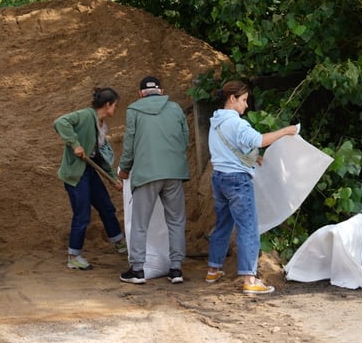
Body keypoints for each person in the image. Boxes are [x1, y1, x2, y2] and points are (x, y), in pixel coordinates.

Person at [205, 80, 298, 295]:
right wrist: (285, 131)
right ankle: (249, 279)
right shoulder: (237, 124)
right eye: (244, 100)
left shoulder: (216, 121)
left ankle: (213, 270)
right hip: (237, 181)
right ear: (232, 99)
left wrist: (251, 158)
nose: (246, 105)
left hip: (219, 178)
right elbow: (259, 140)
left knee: (223, 225)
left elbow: (227, 149)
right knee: (248, 228)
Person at [117, 76, 190, 285]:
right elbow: (185, 140)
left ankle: (137, 270)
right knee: (176, 221)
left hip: (146, 174)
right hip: (174, 173)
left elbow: (129, 143)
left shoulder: (134, 110)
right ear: (162, 91)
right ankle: (176, 269)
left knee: (140, 223)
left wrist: (125, 168)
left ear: (140, 93)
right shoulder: (175, 108)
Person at [54, 87, 127, 271]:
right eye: (115, 105)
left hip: (89, 171)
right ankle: (73, 256)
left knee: (106, 206)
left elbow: (99, 156)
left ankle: (119, 242)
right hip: (75, 174)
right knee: (82, 215)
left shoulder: (101, 126)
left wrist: (113, 178)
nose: (116, 109)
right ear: (108, 104)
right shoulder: (86, 115)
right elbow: (61, 122)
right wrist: (75, 144)